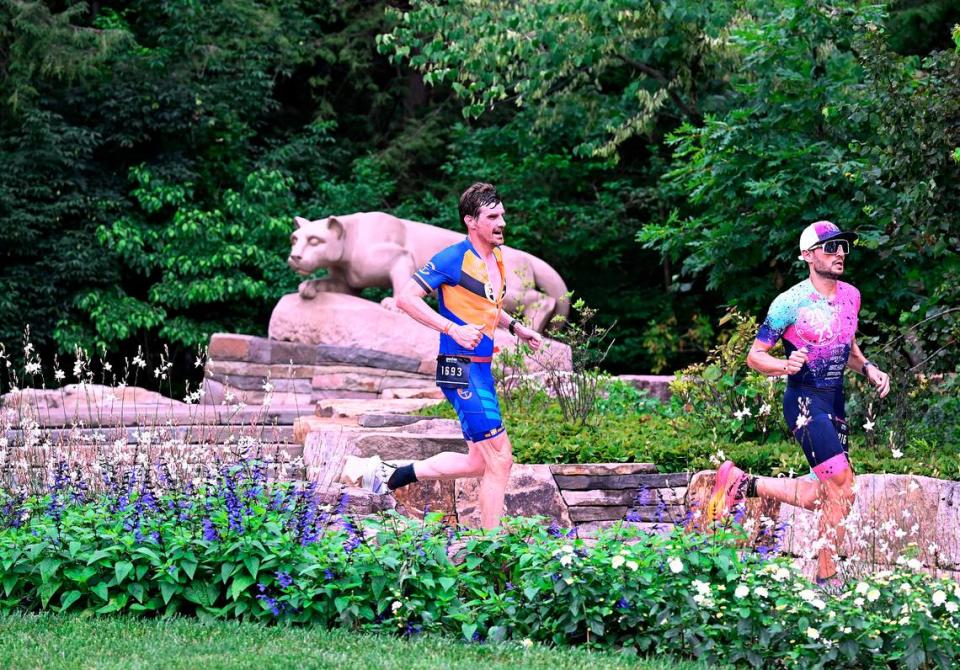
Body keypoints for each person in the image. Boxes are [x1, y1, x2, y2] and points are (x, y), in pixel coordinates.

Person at [708, 221, 890, 591]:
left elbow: (846, 344)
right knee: (843, 484)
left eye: (842, 247)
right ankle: (827, 578)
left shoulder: (851, 296)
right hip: (804, 400)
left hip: (835, 401)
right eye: (829, 247)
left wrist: (868, 367)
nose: (839, 253)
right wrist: (783, 366)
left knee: (824, 492)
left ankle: (743, 483)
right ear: (808, 256)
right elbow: (755, 356)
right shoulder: (788, 303)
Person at [360, 182, 543, 529]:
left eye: (502, 214)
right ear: (471, 221)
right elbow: (406, 298)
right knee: (501, 460)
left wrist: (516, 326)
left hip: (481, 369)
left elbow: (489, 304)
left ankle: (389, 474)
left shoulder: (498, 257)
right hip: (459, 369)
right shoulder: (452, 258)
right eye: (492, 216)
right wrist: (451, 329)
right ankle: (492, 548)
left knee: (478, 461)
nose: (502, 222)